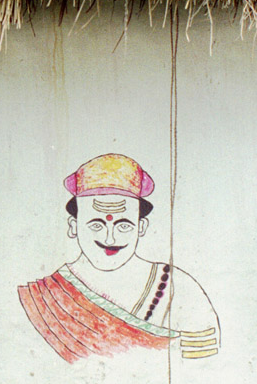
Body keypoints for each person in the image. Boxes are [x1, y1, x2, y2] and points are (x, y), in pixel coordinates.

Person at [18, 153, 219, 362]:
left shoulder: (176, 287)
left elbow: (205, 366)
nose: (110, 237)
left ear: (141, 227)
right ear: (73, 226)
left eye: (124, 225)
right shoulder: (45, 299)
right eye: (96, 224)